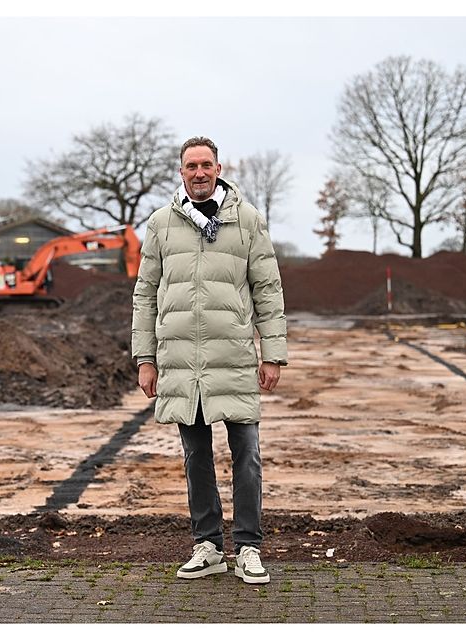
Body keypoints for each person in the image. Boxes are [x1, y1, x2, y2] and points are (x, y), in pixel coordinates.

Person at [131, 136, 287, 584]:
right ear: (180, 173)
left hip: (233, 357)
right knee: (195, 456)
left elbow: (268, 290)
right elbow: (145, 295)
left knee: (248, 457)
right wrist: (146, 358)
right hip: (181, 362)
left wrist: (272, 353)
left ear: (219, 168)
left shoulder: (247, 221)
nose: (199, 172)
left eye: (206, 165)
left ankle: (249, 547)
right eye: (190, 166)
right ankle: (208, 545)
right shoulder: (161, 224)